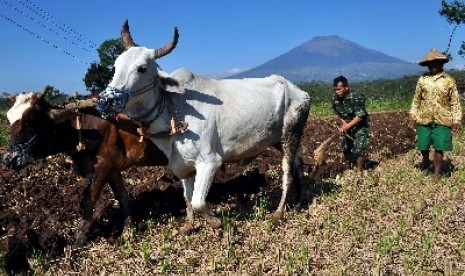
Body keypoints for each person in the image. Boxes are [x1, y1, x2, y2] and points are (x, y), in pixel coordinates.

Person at [408, 49, 462, 180]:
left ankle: (437, 172)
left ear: (441, 63)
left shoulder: (449, 80)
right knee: (423, 144)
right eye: (430, 64)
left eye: (435, 63)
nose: (432, 66)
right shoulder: (423, 79)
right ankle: (426, 161)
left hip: (443, 119)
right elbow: (417, 99)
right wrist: (413, 116)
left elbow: (455, 102)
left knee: (439, 147)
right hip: (424, 118)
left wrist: (456, 120)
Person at [331, 75, 370, 175]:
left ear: (346, 87)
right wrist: (343, 123)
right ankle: (349, 167)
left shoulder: (356, 97)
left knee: (359, 148)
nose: (337, 92)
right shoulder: (334, 99)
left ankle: (359, 171)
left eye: (339, 89)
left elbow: (360, 116)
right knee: (345, 147)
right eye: (335, 89)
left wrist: (347, 126)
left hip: (359, 126)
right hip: (347, 125)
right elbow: (337, 113)